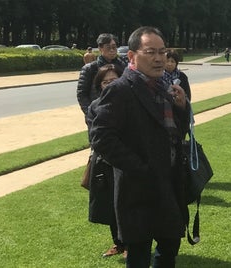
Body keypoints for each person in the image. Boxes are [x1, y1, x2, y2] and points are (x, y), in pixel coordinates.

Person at [89, 26, 191, 267]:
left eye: (162, 52)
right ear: (132, 57)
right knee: (138, 255)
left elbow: (176, 133)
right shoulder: (120, 89)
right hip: (138, 188)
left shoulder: (165, 88)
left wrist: (181, 108)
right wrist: (140, 168)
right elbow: (101, 137)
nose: (158, 58)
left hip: (169, 183)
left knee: (168, 251)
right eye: (150, 52)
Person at [84, 64, 125, 258]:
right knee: (110, 206)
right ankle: (118, 243)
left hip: (126, 163)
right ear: (100, 85)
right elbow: (94, 136)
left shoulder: (130, 102)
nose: (109, 84)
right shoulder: (94, 106)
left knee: (127, 205)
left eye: (114, 80)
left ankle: (131, 244)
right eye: (105, 81)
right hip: (105, 162)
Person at [76, 33, 127, 115]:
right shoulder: (90, 68)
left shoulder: (123, 65)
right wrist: (90, 114)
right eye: (108, 47)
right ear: (100, 48)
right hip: (98, 113)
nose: (112, 50)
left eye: (114, 47)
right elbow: (82, 94)